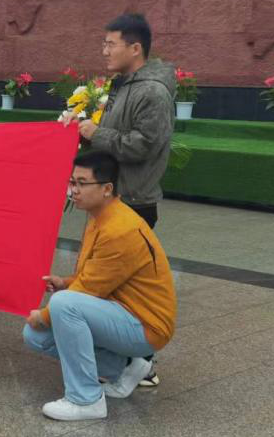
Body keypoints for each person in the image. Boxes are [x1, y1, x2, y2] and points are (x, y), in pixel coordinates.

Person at [23, 150, 176, 421]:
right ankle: (126, 367)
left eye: (82, 183)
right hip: (122, 312)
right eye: (72, 182)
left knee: (62, 305)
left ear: (107, 188)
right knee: (34, 336)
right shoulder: (100, 216)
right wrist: (64, 282)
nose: (74, 190)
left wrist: (44, 316)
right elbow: (94, 276)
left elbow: (89, 290)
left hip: (146, 326)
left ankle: (86, 399)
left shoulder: (120, 229)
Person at [77, 13, 175, 230]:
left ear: (135, 49)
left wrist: (96, 133)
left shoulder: (152, 92)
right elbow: (113, 135)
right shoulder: (123, 85)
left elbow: (142, 146)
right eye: (104, 44)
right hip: (111, 198)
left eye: (111, 45)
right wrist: (82, 130)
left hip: (133, 204)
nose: (105, 52)